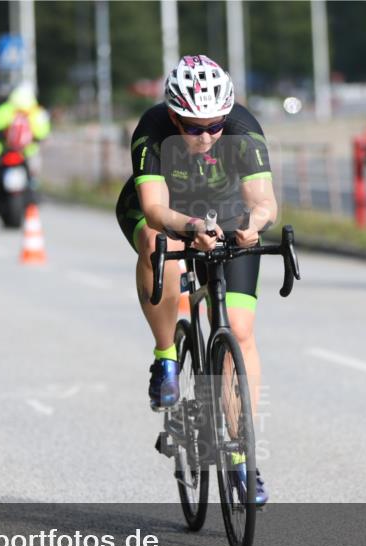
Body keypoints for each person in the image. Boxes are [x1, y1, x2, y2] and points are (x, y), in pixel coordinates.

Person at [114, 55, 277, 505]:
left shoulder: (243, 127)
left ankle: (243, 460)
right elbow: (154, 208)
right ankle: (166, 356)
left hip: (225, 214)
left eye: (215, 125)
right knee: (155, 244)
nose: (205, 136)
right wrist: (188, 228)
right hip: (169, 213)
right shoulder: (152, 129)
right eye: (192, 127)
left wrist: (252, 224)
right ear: (173, 116)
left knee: (240, 335)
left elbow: (264, 201)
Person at [0, 83, 51, 192]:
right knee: (34, 173)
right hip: (27, 152)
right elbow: (44, 133)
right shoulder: (36, 112)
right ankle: (33, 183)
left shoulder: (4, 109)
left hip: (3, 151)